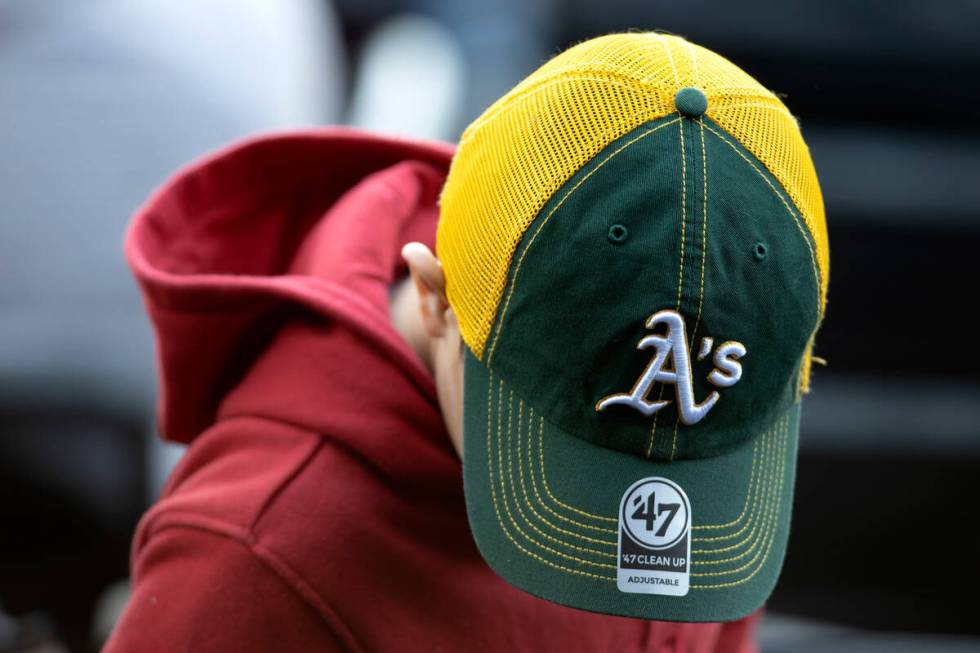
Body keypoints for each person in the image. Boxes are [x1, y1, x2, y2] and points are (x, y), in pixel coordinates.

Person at [105, 32, 827, 652]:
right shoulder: (257, 557)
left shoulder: (722, 507)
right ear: (436, 294)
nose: (652, 527)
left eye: (707, 461)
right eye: (576, 451)